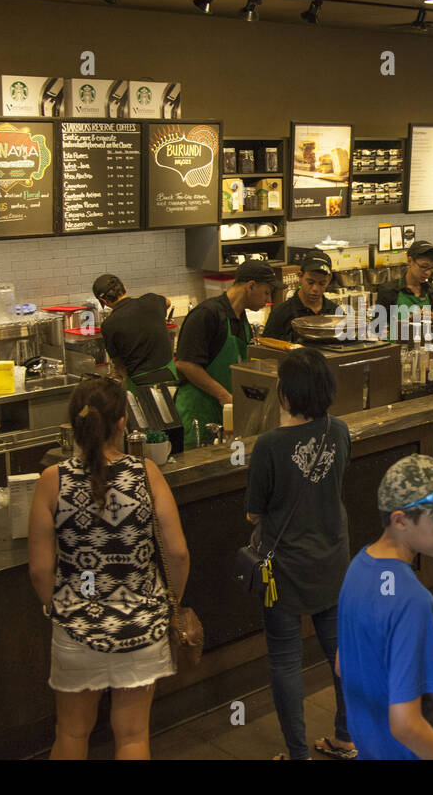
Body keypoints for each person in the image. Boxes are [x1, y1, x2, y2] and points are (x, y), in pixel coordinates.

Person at [27, 376, 190, 759]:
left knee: (71, 733)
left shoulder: (53, 481)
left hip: (77, 624)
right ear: (122, 424)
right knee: (133, 736)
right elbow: (177, 552)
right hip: (141, 622)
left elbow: (39, 569)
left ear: (74, 425)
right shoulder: (146, 473)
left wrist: (59, 608)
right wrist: (168, 604)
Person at [335, 454, 433, 759]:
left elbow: (344, 665)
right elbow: (406, 725)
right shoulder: (413, 601)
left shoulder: (357, 568)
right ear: (400, 520)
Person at [245, 348, 356, 760]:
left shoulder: (269, 446)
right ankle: (344, 738)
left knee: (287, 662)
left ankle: (297, 754)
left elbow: (254, 511)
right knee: (341, 653)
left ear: (286, 394)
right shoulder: (340, 431)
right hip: (332, 560)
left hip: (283, 569)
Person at [174, 261, 279, 447]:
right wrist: (223, 396)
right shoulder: (207, 314)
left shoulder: (241, 317)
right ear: (251, 286)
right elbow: (185, 364)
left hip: (226, 412)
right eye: (266, 292)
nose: (268, 299)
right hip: (198, 414)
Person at [91, 274, 175, 387]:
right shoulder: (151, 300)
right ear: (124, 288)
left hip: (140, 384)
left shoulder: (108, 325)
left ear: (103, 301)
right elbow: (168, 302)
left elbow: (119, 364)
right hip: (170, 377)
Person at [262, 252, 338, 343]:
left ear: (329, 280)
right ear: (300, 276)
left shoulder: (335, 313)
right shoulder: (281, 314)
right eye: (310, 282)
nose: (315, 289)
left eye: (322, 283)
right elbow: (266, 350)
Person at [376, 240, 433, 342]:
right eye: (424, 267)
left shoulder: (430, 292)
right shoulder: (389, 291)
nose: (428, 273)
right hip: (396, 352)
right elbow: (377, 330)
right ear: (410, 261)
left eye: (431, 268)